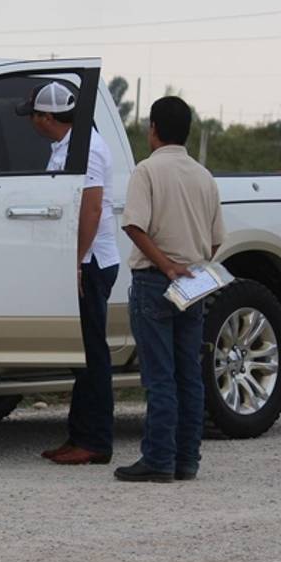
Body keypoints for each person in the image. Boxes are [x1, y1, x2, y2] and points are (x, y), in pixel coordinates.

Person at [115, 96, 224, 483]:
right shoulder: (203, 176)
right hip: (193, 284)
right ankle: (186, 459)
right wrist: (189, 267)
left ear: (154, 129)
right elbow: (215, 242)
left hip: (155, 281)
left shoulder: (146, 171)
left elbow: (134, 225)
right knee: (188, 375)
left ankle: (158, 458)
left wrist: (165, 266)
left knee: (159, 376)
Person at [16, 81, 121, 465]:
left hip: (91, 263)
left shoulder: (87, 149)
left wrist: (74, 261)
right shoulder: (69, 145)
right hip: (83, 260)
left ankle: (95, 441)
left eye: (34, 115)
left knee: (92, 353)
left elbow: (91, 210)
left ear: (47, 117)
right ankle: (80, 434)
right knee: (82, 354)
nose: (31, 121)